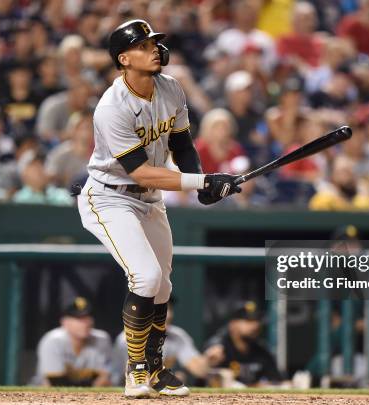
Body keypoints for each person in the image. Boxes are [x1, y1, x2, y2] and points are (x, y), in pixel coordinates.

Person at [74, 19, 241, 398]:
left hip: (149, 200)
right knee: (146, 277)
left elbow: (182, 146)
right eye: (144, 44)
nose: (154, 48)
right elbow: (142, 171)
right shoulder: (111, 107)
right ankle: (134, 372)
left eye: (154, 42)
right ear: (123, 58)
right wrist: (202, 182)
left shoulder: (171, 88)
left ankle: (155, 369)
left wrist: (202, 184)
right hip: (110, 195)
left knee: (162, 285)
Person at [110, 297, 209, 386]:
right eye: (163, 311)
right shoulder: (127, 338)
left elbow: (199, 369)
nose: (169, 315)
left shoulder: (178, 336)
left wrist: (207, 359)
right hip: (121, 389)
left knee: (179, 376)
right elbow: (124, 376)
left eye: (169, 309)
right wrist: (161, 366)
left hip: (159, 386)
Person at [32, 297, 111, 387]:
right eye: (79, 319)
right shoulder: (53, 340)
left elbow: (104, 379)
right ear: (64, 322)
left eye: (87, 317)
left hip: (89, 398)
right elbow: (55, 383)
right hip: (42, 396)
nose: (85, 323)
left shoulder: (102, 339)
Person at [204, 301, 282, 387]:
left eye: (257, 320)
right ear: (232, 325)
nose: (255, 325)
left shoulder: (262, 351)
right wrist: (209, 363)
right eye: (248, 320)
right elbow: (208, 381)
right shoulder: (219, 347)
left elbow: (277, 381)